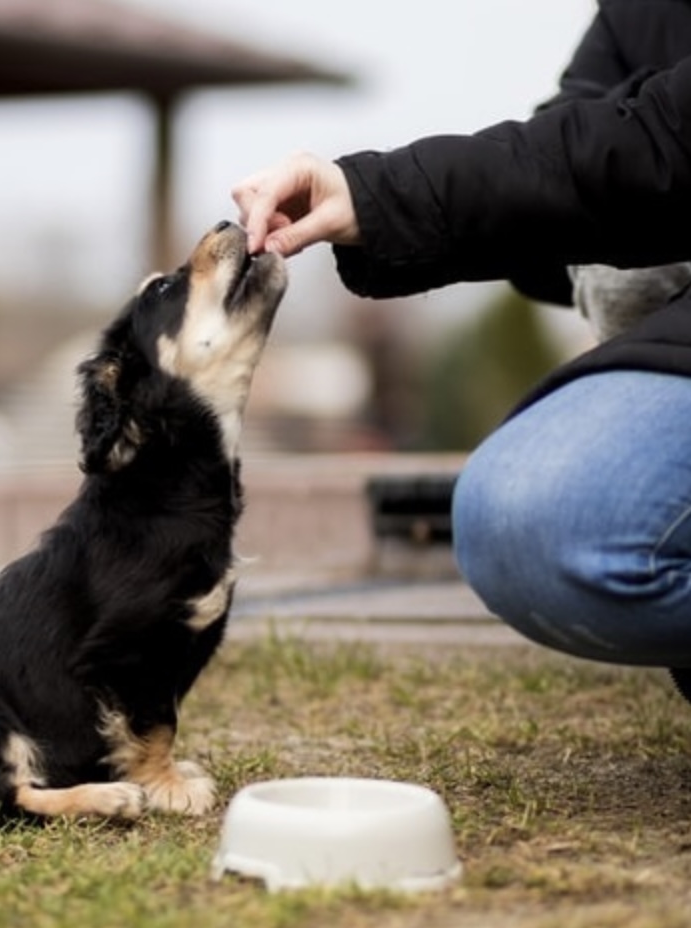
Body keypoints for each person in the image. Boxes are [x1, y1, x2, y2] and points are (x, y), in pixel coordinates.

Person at [232, 0, 691, 687]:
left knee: (571, 517)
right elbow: (572, 159)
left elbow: (636, 145)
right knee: (523, 517)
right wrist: (372, 198)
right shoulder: (633, 13)